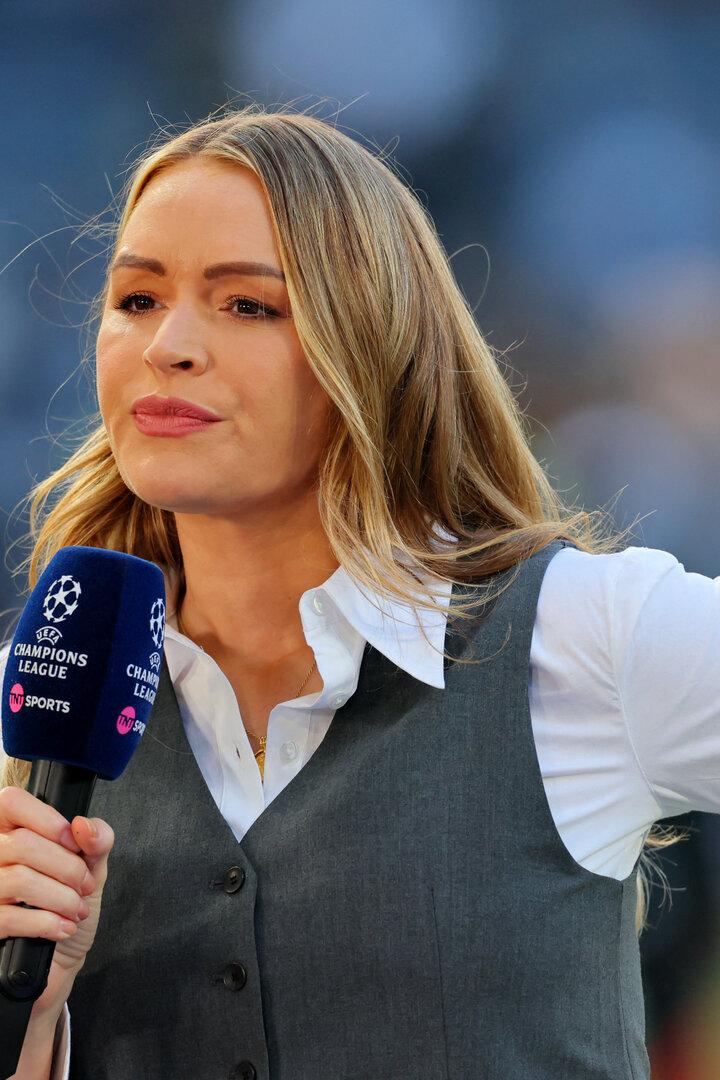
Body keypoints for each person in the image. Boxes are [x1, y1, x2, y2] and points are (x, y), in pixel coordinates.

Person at [0, 103, 716, 1079]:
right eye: (135, 298)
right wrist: (28, 1024)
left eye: (247, 304)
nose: (167, 344)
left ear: (372, 350)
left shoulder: (589, 635)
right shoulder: (32, 703)